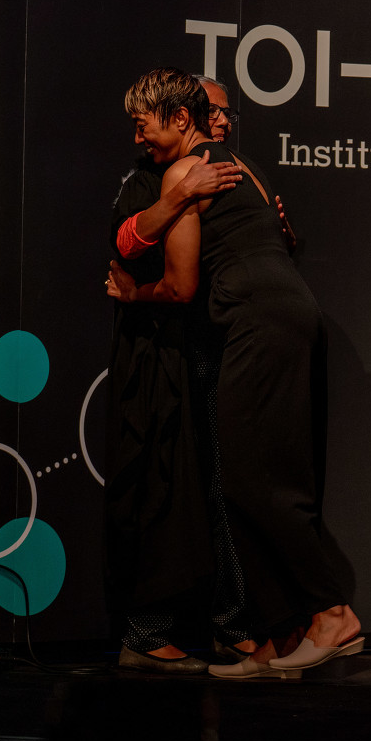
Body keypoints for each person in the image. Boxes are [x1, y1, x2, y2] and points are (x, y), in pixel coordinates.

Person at [108, 67, 362, 678]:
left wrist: (133, 295)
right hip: (286, 313)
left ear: (179, 118)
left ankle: (332, 613)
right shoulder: (244, 167)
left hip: (254, 319)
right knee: (247, 480)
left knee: (254, 480)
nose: (137, 138)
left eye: (143, 125)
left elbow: (180, 285)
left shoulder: (184, 172)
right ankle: (277, 635)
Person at [104, 73, 244, 674]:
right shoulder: (151, 178)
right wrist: (182, 193)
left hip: (214, 349)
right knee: (160, 484)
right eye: (213, 111)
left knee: (222, 486)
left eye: (228, 113)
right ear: (186, 116)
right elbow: (126, 245)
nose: (223, 121)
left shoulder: (229, 173)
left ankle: (234, 626)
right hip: (159, 354)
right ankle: (147, 630)